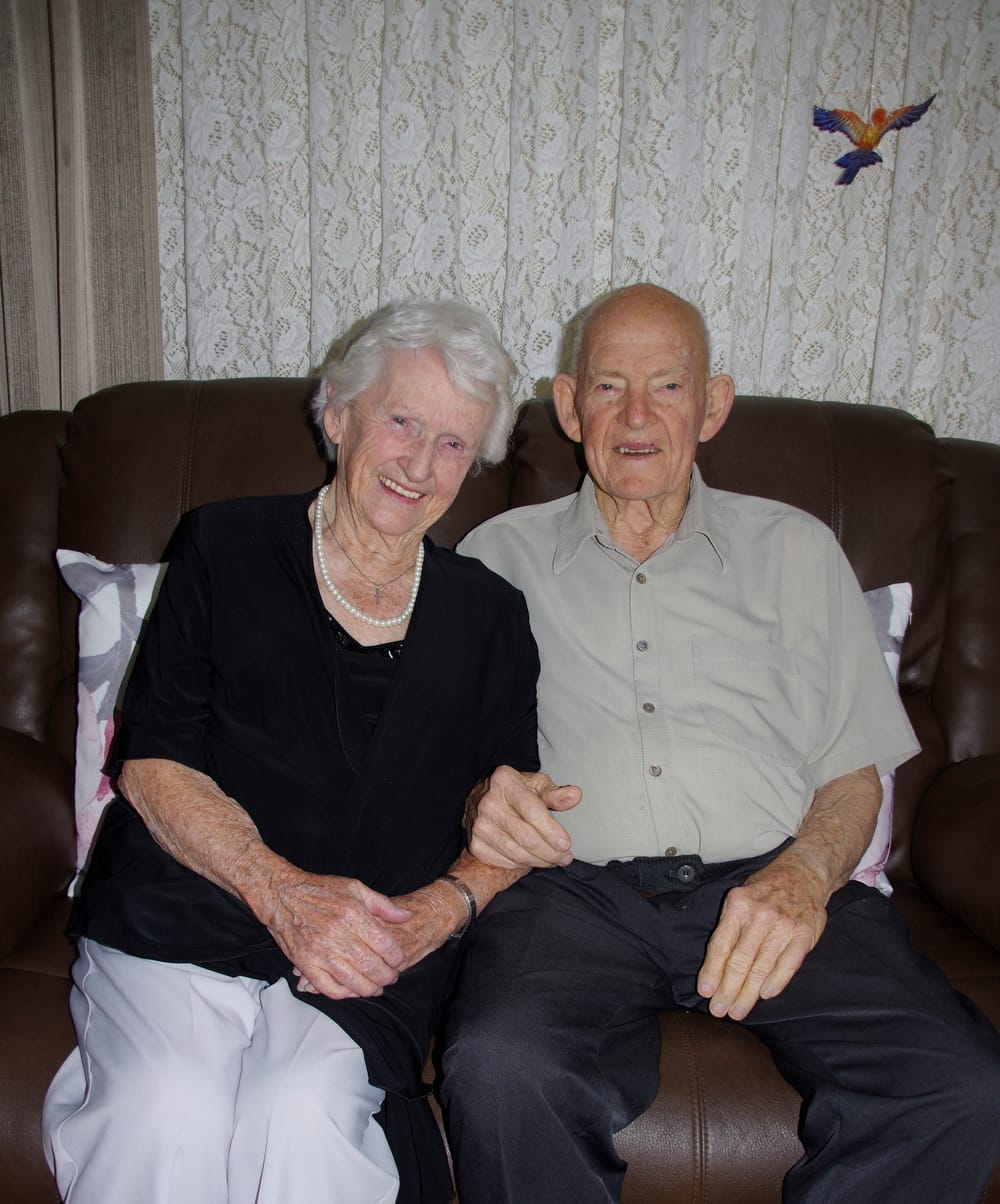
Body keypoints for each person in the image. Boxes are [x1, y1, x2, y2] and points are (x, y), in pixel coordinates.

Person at [441, 283, 1000, 1203]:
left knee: (959, 1085)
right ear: (569, 406)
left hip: (774, 875)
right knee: (501, 1068)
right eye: (609, 386)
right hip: (570, 899)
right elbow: (450, 770)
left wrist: (802, 879)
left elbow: (853, 775)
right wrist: (481, 804)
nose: (636, 416)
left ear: (712, 406)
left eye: (667, 386)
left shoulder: (796, 550)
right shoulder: (494, 559)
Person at [42, 298, 539, 1204]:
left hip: (368, 945)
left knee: (303, 1110)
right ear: (338, 413)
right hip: (191, 900)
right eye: (402, 422)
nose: (419, 465)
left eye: (453, 444)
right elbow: (152, 760)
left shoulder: (491, 616)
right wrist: (280, 892)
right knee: (167, 1106)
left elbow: (508, 819)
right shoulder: (224, 543)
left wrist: (438, 910)